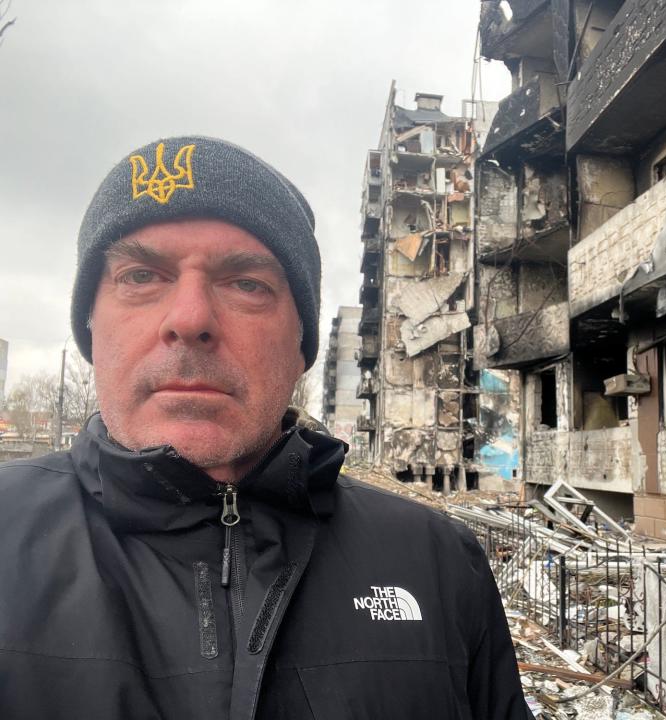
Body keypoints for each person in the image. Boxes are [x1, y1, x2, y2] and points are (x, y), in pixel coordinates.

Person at [0, 136, 532, 719]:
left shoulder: (437, 563)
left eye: (246, 283)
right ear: (90, 326)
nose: (190, 319)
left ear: (300, 345)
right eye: (141, 276)